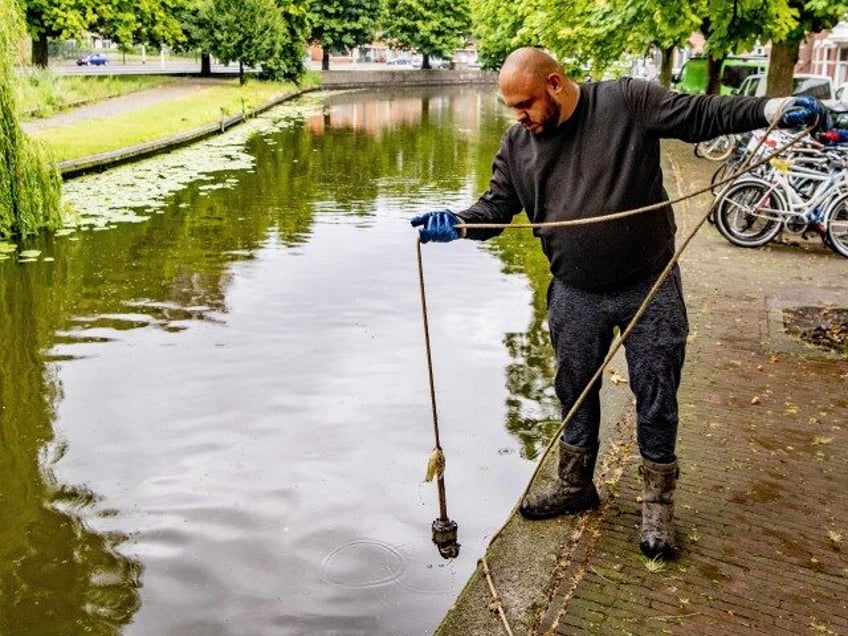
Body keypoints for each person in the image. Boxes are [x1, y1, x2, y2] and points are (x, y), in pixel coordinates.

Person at [410, 47, 829, 559]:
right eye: (510, 108)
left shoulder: (626, 102)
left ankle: (657, 507)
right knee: (574, 390)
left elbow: (699, 113)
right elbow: (496, 208)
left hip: (645, 286)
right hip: (574, 292)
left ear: (556, 84)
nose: (518, 116)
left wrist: (770, 110)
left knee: (656, 392)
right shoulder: (518, 144)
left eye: (525, 104)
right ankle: (575, 486)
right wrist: (458, 223)